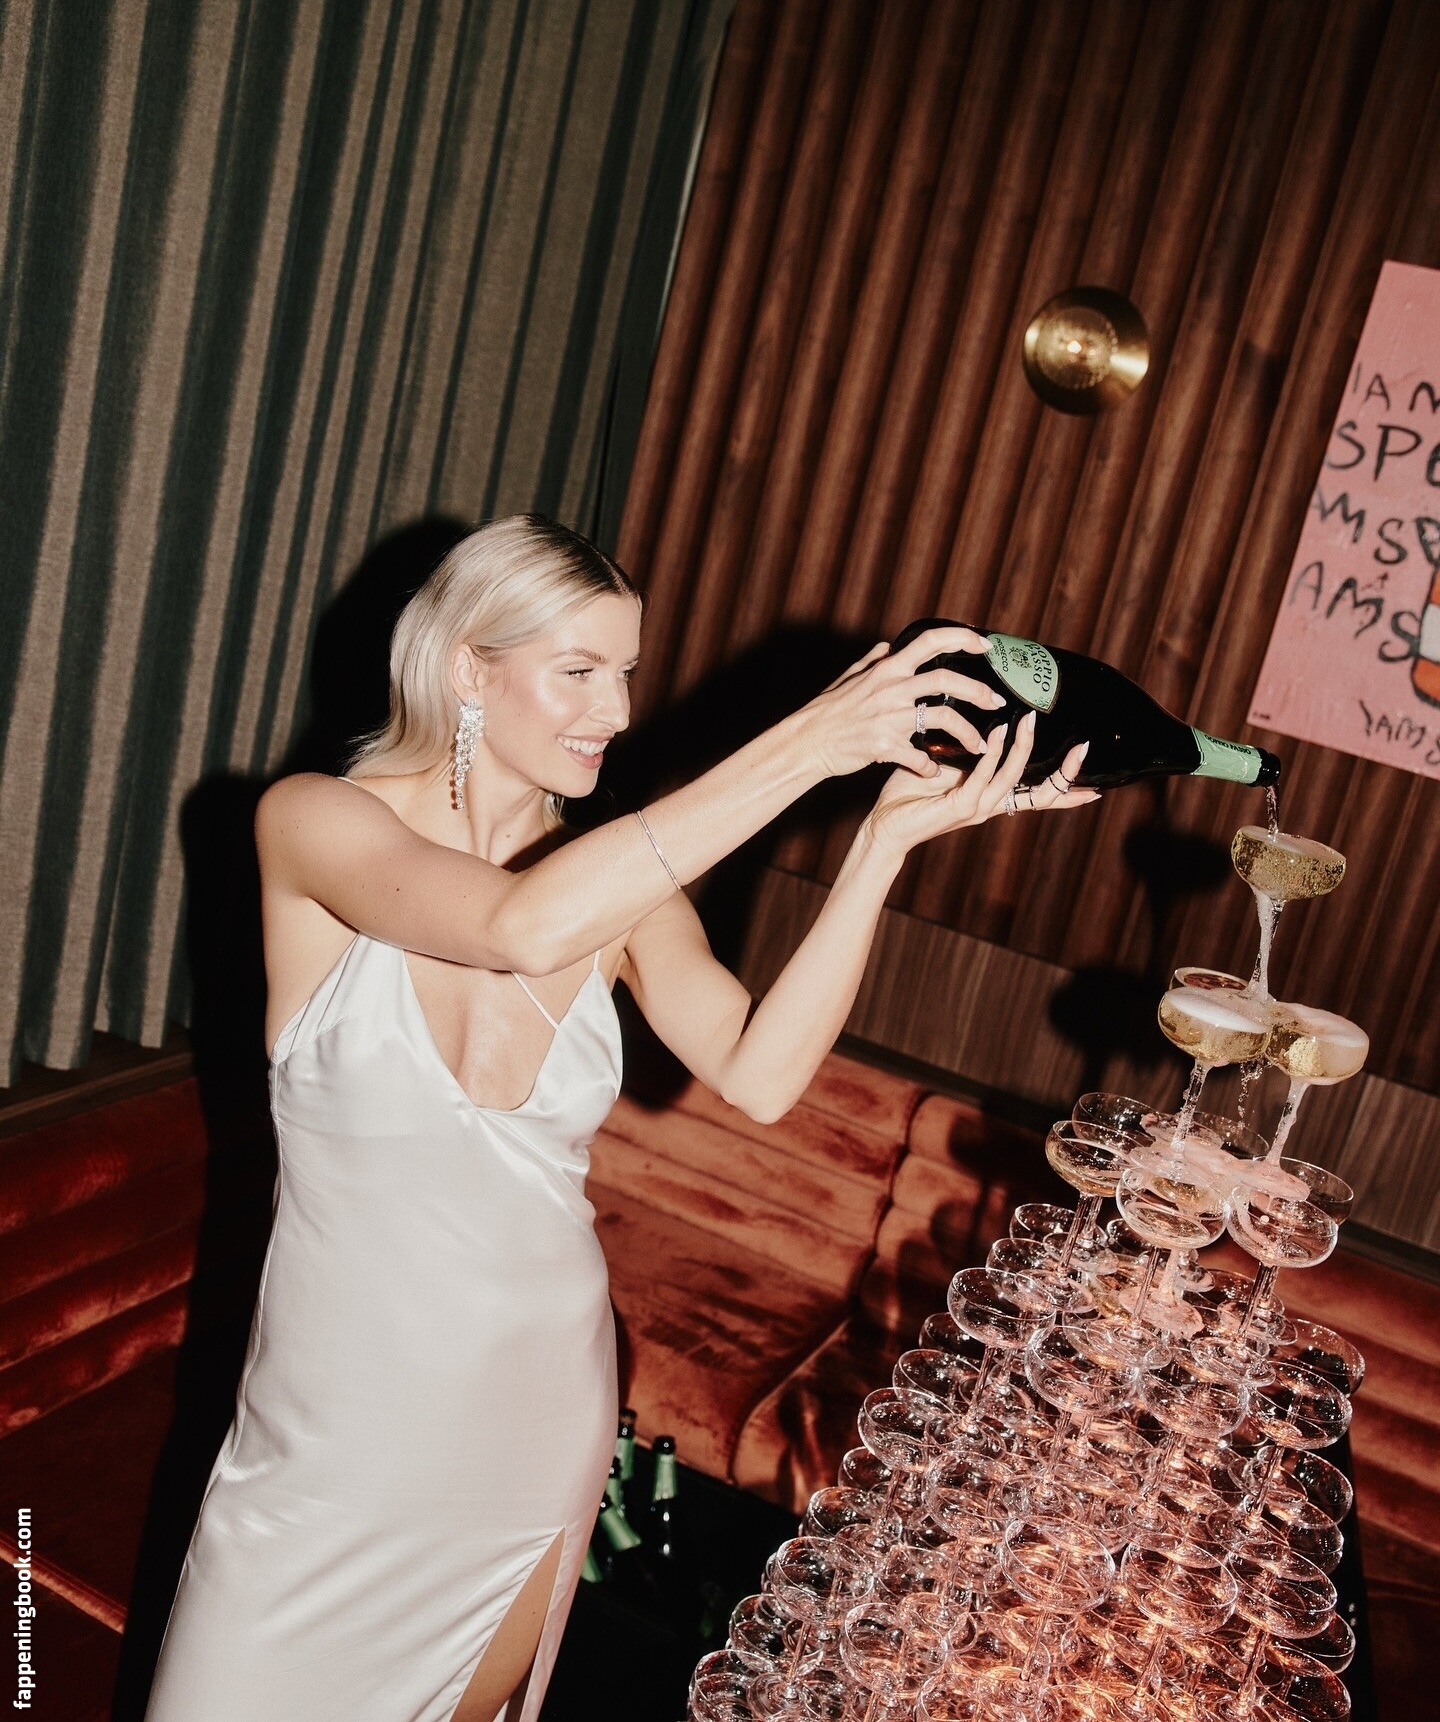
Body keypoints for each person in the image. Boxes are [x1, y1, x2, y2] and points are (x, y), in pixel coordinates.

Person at [143, 514, 1095, 1722]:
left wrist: (880, 845)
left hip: (532, 1404)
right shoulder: (316, 821)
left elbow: (759, 1073)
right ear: (468, 667)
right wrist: (809, 742)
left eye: (628, 670)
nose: (619, 708)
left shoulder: (623, 887)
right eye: (581, 670)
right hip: (328, 1430)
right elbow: (517, 927)